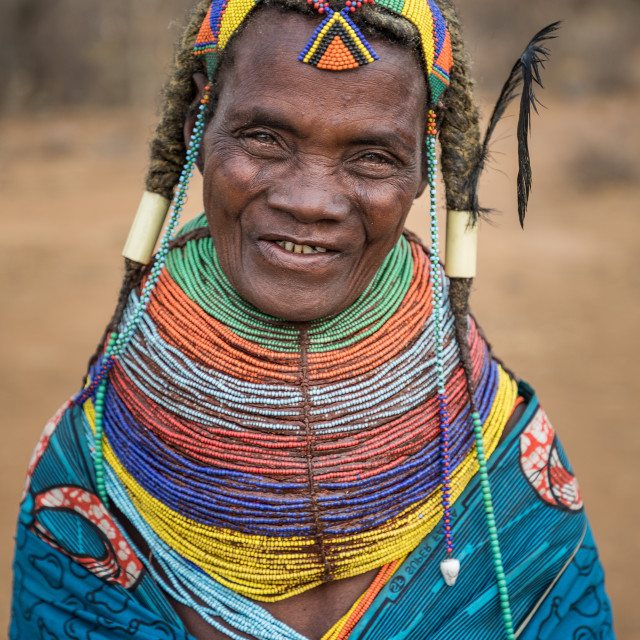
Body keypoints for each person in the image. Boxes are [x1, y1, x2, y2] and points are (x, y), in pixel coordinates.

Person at [10, 0, 615, 639]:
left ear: (423, 166)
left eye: (373, 157)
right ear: (199, 124)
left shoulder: (501, 470)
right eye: (264, 138)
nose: (309, 201)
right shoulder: (93, 469)